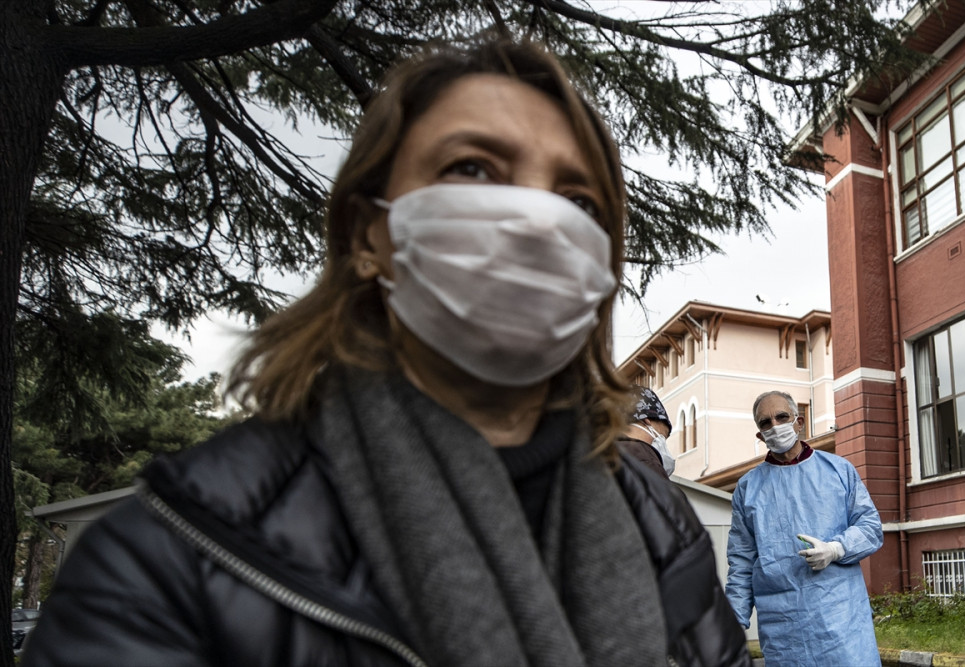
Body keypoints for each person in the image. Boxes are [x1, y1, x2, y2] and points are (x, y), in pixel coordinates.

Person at [24, 39, 750, 667]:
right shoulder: (175, 555)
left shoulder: (652, 511)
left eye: (580, 202)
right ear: (371, 236)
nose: (537, 221)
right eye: (472, 168)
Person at [725, 390, 884, 666]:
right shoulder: (748, 489)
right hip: (783, 630)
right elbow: (741, 562)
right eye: (765, 423)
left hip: (841, 622)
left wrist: (836, 548)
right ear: (760, 436)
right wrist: (731, 623)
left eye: (782, 417)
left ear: (799, 422)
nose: (775, 426)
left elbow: (870, 527)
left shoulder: (838, 471)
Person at [617, 385, 675, 478]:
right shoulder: (645, 459)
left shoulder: (600, 456)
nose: (663, 447)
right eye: (662, 436)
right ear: (646, 421)